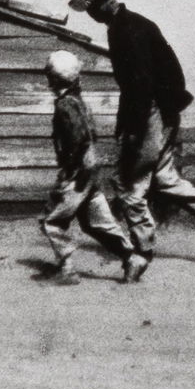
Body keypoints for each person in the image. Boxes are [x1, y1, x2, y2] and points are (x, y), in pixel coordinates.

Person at [67, 0, 195, 270]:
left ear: (107, 0)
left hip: (151, 114)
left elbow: (141, 86)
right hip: (162, 112)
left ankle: (142, 252)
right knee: (165, 180)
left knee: (130, 187)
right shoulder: (131, 25)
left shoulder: (127, 31)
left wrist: (134, 131)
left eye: (92, 6)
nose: (91, 14)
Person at [39, 49, 147, 281]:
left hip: (77, 172)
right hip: (89, 172)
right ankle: (132, 257)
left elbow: (79, 137)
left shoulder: (65, 105)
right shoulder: (80, 101)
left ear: (53, 78)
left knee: (52, 221)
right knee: (97, 222)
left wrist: (75, 165)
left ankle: (67, 268)